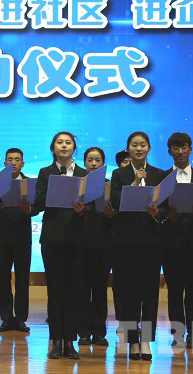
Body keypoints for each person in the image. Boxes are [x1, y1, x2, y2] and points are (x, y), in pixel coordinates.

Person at [110, 131, 166, 361]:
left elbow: (166, 207)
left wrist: (157, 212)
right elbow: (114, 202)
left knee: (149, 293)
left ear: (149, 148)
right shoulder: (119, 174)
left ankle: (146, 341)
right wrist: (133, 184)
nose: (139, 149)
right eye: (134, 145)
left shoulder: (159, 174)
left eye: (142, 145)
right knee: (127, 293)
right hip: (125, 241)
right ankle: (132, 340)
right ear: (128, 148)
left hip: (151, 241)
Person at [33, 131, 86, 360]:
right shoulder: (45, 173)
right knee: (55, 290)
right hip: (53, 238)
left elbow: (92, 205)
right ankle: (55, 340)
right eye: (60, 142)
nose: (64, 146)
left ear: (74, 148)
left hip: (76, 238)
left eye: (68, 142)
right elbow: (37, 202)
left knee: (73, 290)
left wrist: (82, 210)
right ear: (53, 148)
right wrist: (55, 193)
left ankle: (70, 341)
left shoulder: (83, 174)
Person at [161, 133, 193, 349]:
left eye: (184, 147)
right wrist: (165, 214)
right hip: (169, 240)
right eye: (176, 148)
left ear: (190, 149)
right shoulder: (162, 177)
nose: (180, 151)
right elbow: (156, 207)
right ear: (169, 152)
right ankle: (177, 334)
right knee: (174, 290)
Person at [78, 147, 115, 347]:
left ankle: (100, 331)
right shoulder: (78, 184)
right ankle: (83, 331)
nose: (93, 163)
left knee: (100, 289)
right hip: (81, 243)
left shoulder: (109, 185)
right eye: (90, 160)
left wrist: (111, 214)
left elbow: (117, 214)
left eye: (97, 160)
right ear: (84, 162)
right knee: (83, 289)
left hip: (103, 243)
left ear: (103, 163)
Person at [0, 148, 32, 334]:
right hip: (2, 235)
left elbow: (35, 208)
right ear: (4, 163)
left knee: (22, 278)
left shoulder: (28, 183)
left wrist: (29, 208)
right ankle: (6, 318)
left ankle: (21, 319)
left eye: (17, 159)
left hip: (23, 236)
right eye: (10, 159)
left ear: (22, 164)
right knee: (3, 278)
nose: (13, 163)